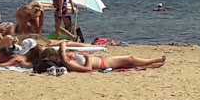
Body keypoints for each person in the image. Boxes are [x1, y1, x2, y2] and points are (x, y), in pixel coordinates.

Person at [30, 41, 166, 73]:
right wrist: (88, 57)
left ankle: (152, 65)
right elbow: (87, 69)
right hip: (102, 63)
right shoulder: (67, 63)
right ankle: (154, 60)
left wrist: (59, 46)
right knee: (129, 58)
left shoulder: (65, 58)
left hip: (102, 61)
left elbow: (64, 43)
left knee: (130, 64)